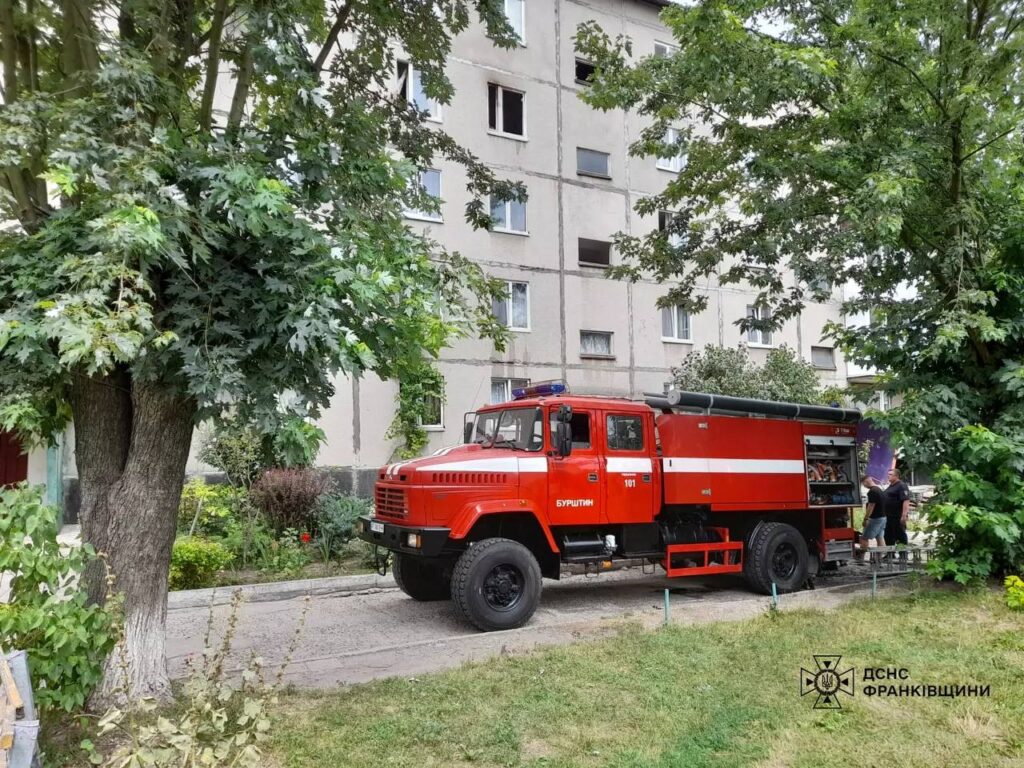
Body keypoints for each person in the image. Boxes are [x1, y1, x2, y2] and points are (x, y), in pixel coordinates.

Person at [859, 475, 886, 561]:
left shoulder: (872, 492)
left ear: (866, 482)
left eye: (863, 484)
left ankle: (861, 559)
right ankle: (879, 558)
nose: (864, 486)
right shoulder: (879, 490)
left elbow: (871, 506)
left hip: (875, 518)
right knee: (880, 537)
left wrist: (866, 519)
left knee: (864, 538)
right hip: (883, 518)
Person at [883, 467, 911, 546]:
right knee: (888, 535)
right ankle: (890, 554)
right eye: (888, 474)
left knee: (900, 535)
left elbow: (906, 500)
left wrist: (904, 515)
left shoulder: (901, 486)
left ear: (897, 476)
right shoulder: (891, 486)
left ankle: (903, 554)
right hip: (889, 516)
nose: (888, 476)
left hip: (897, 516)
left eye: (891, 475)